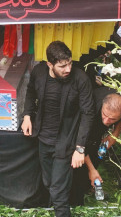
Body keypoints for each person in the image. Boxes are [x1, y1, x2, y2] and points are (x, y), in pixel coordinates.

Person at [22, 41, 94, 217]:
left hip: (66, 140)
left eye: (69, 63)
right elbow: (30, 92)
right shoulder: (39, 72)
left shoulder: (80, 79)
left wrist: (80, 148)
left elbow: (88, 113)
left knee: (58, 191)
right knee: (49, 183)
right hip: (43, 139)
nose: (68, 69)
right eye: (62, 66)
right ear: (49, 64)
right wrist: (27, 115)